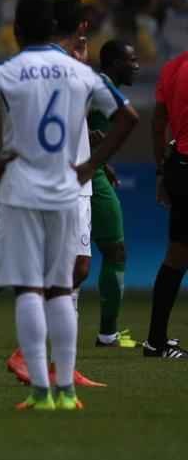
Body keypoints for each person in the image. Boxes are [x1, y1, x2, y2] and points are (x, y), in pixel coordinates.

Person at [0, 0, 136, 410]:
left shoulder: (6, 69)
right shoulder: (79, 71)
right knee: (61, 288)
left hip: (20, 189)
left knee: (30, 289)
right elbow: (129, 117)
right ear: (67, 28)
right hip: (66, 188)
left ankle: (42, 391)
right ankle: (67, 392)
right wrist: (92, 164)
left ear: (17, 31)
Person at [90, 39, 140, 348]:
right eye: (130, 60)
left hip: (92, 170)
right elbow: (70, 120)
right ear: (112, 63)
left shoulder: (96, 85)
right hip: (87, 176)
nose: (136, 65)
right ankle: (108, 334)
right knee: (115, 251)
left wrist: (102, 160)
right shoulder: (99, 86)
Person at [145, 42, 188, 358]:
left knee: (176, 256)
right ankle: (155, 343)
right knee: (177, 256)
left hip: (178, 166)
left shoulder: (172, 68)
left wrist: (162, 172)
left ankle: (155, 340)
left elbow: (158, 123)